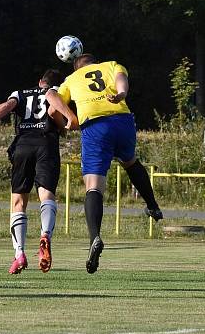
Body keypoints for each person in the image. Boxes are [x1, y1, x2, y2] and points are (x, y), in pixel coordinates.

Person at [46, 50, 163, 274]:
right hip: (123, 120)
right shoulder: (111, 65)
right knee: (130, 161)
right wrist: (120, 94)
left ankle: (95, 237)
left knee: (93, 185)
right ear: (94, 64)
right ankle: (152, 206)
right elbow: (122, 81)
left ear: (76, 67)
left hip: (95, 125)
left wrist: (67, 121)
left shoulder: (71, 79)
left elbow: (52, 105)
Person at [0, 69, 69, 274]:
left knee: (18, 201)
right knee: (46, 194)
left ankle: (19, 253)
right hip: (46, 144)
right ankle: (45, 234)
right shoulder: (58, 93)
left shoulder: (20, 93)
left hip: (23, 145)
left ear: (40, 82)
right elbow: (60, 116)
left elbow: (6, 106)